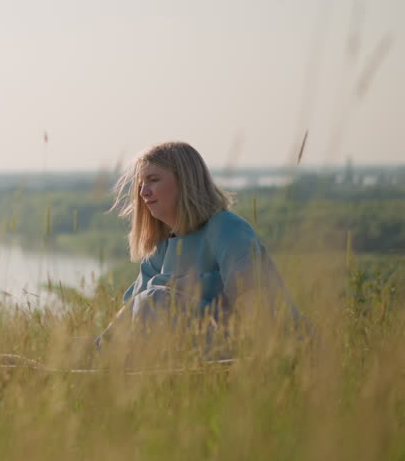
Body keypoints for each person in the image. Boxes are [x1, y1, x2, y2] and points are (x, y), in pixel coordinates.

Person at [95, 141, 302, 348]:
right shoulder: (161, 247)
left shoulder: (228, 229)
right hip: (181, 355)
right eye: (141, 183)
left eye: (153, 180)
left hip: (248, 349)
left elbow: (256, 310)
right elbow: (130, 316)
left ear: (185, 182)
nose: (143, 192)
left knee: (154, 299)